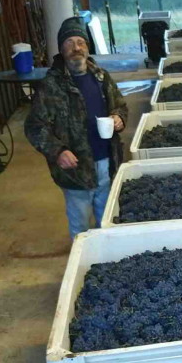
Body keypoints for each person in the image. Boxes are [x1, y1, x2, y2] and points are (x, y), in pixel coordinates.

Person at [25, 17, 128, 240]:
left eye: (80, 42)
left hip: (107, 162)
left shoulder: (101, 77)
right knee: (81, 229)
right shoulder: (50, 86)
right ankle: (83, 267)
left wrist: (118, 117)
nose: (76, 48)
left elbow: (120, 105)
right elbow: (34, 126)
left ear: (87, 47)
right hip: (76, 170)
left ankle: (107, 265)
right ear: (61, 49)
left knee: (108, 223)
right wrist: (57, 151)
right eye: (69, 43)